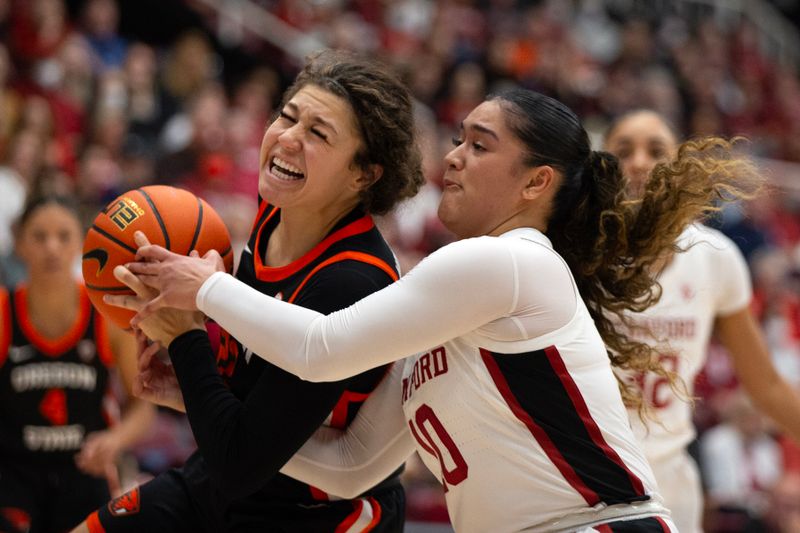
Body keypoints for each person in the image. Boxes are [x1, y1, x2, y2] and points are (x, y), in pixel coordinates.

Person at [113, 89, 761, 531]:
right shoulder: (447, 302)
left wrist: (203, 289)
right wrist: (201, 400)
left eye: (479, 146)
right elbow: (350, 467)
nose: (450, 155)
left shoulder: (510, 260)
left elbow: (323, 346)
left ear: (536, 183)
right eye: (456, 138)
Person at [73, 49, 424, 532]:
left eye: (318, 133)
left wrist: (184, 337)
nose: (288, 138)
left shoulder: (352, 280)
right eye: (287, 116)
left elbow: (241, 462)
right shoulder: (276, 210)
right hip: (224, 478)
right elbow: (252, 393)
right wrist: (189, 388)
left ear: (364, 174)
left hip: (314, 512)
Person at [603, 109, 800, 533]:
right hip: (586, 485)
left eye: (656, 151)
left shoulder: (715, 258)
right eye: (623, 151)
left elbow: (765, 384)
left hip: (670, 487)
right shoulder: (573, 255)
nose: (638, 161)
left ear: (679, 169)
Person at [0, 194, 155, 533]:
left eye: (63, 236)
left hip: (85, 471)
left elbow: (143, 405)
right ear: (20, 244)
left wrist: (115, 441)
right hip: (13, 472)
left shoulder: (106, 313)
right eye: (39, 237)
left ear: (81, 244)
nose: (52, 248)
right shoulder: (3, 313)